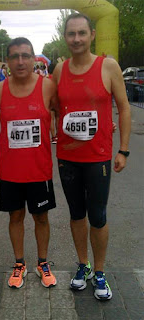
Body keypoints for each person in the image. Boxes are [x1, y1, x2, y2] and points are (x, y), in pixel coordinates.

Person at [53, 13, 131, 300]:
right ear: (65, 37)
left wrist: (123, 149)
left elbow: (123, 108)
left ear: (92, 35)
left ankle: (99, 271)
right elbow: (50, 105)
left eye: (82, 33)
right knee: (76, 214)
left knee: (97, 216)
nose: (76, 39)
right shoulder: (60, 70)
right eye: (71, 34)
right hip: (67, 157)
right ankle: (83, 266)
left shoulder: (108, 66)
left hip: (98, 157)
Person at [0, 37, 58, 289]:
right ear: (8, 61)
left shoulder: (48, 87)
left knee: (41, 218)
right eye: (14, 56)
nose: (20, 61)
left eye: (25, 55)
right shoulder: (0, 90)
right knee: (15, 217)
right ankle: (19, 263)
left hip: (39, 170)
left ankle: (42, 263)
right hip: (11, 172)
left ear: (34, 59)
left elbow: (71, 110)